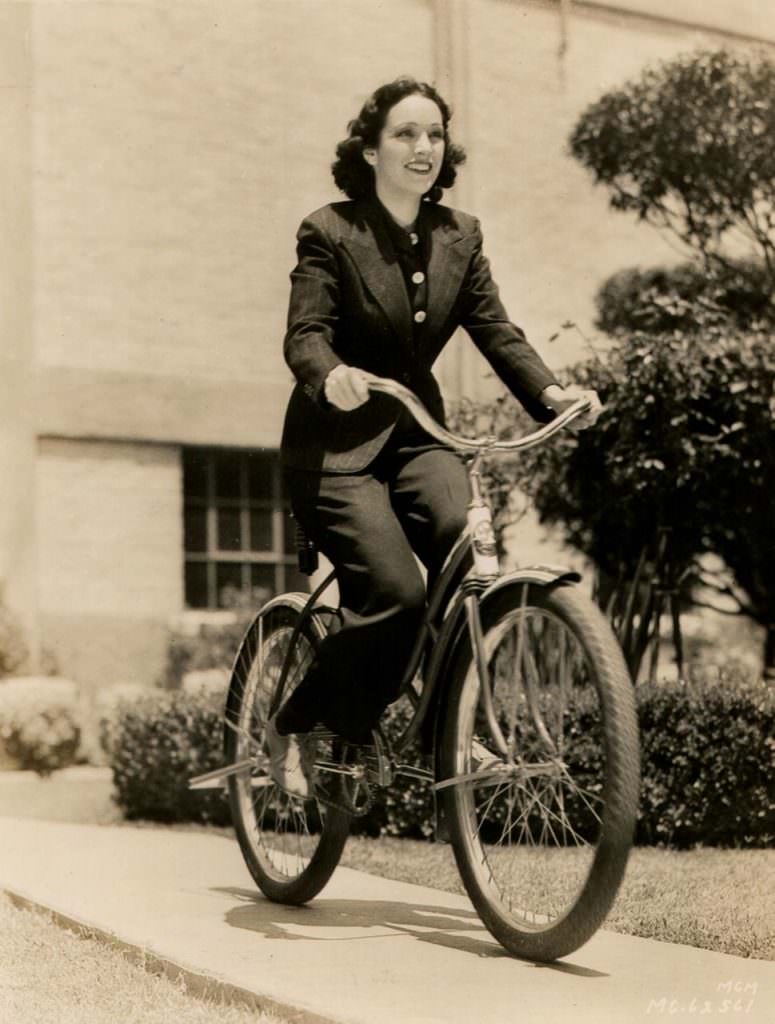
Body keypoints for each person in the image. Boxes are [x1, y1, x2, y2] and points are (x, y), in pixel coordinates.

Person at [266, 77, 601, 796]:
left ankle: (455, 728)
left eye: (434, 135)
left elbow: (494, 330)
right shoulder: (330, 230)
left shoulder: (460, 235)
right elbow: (305, 333)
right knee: (394, 592)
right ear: (369, 148)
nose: (422, 148)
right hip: (335, 450)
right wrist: (330, 376)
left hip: (419, 435)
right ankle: (300, 721)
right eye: (404, 134)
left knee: (467, 549)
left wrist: (550, 394)